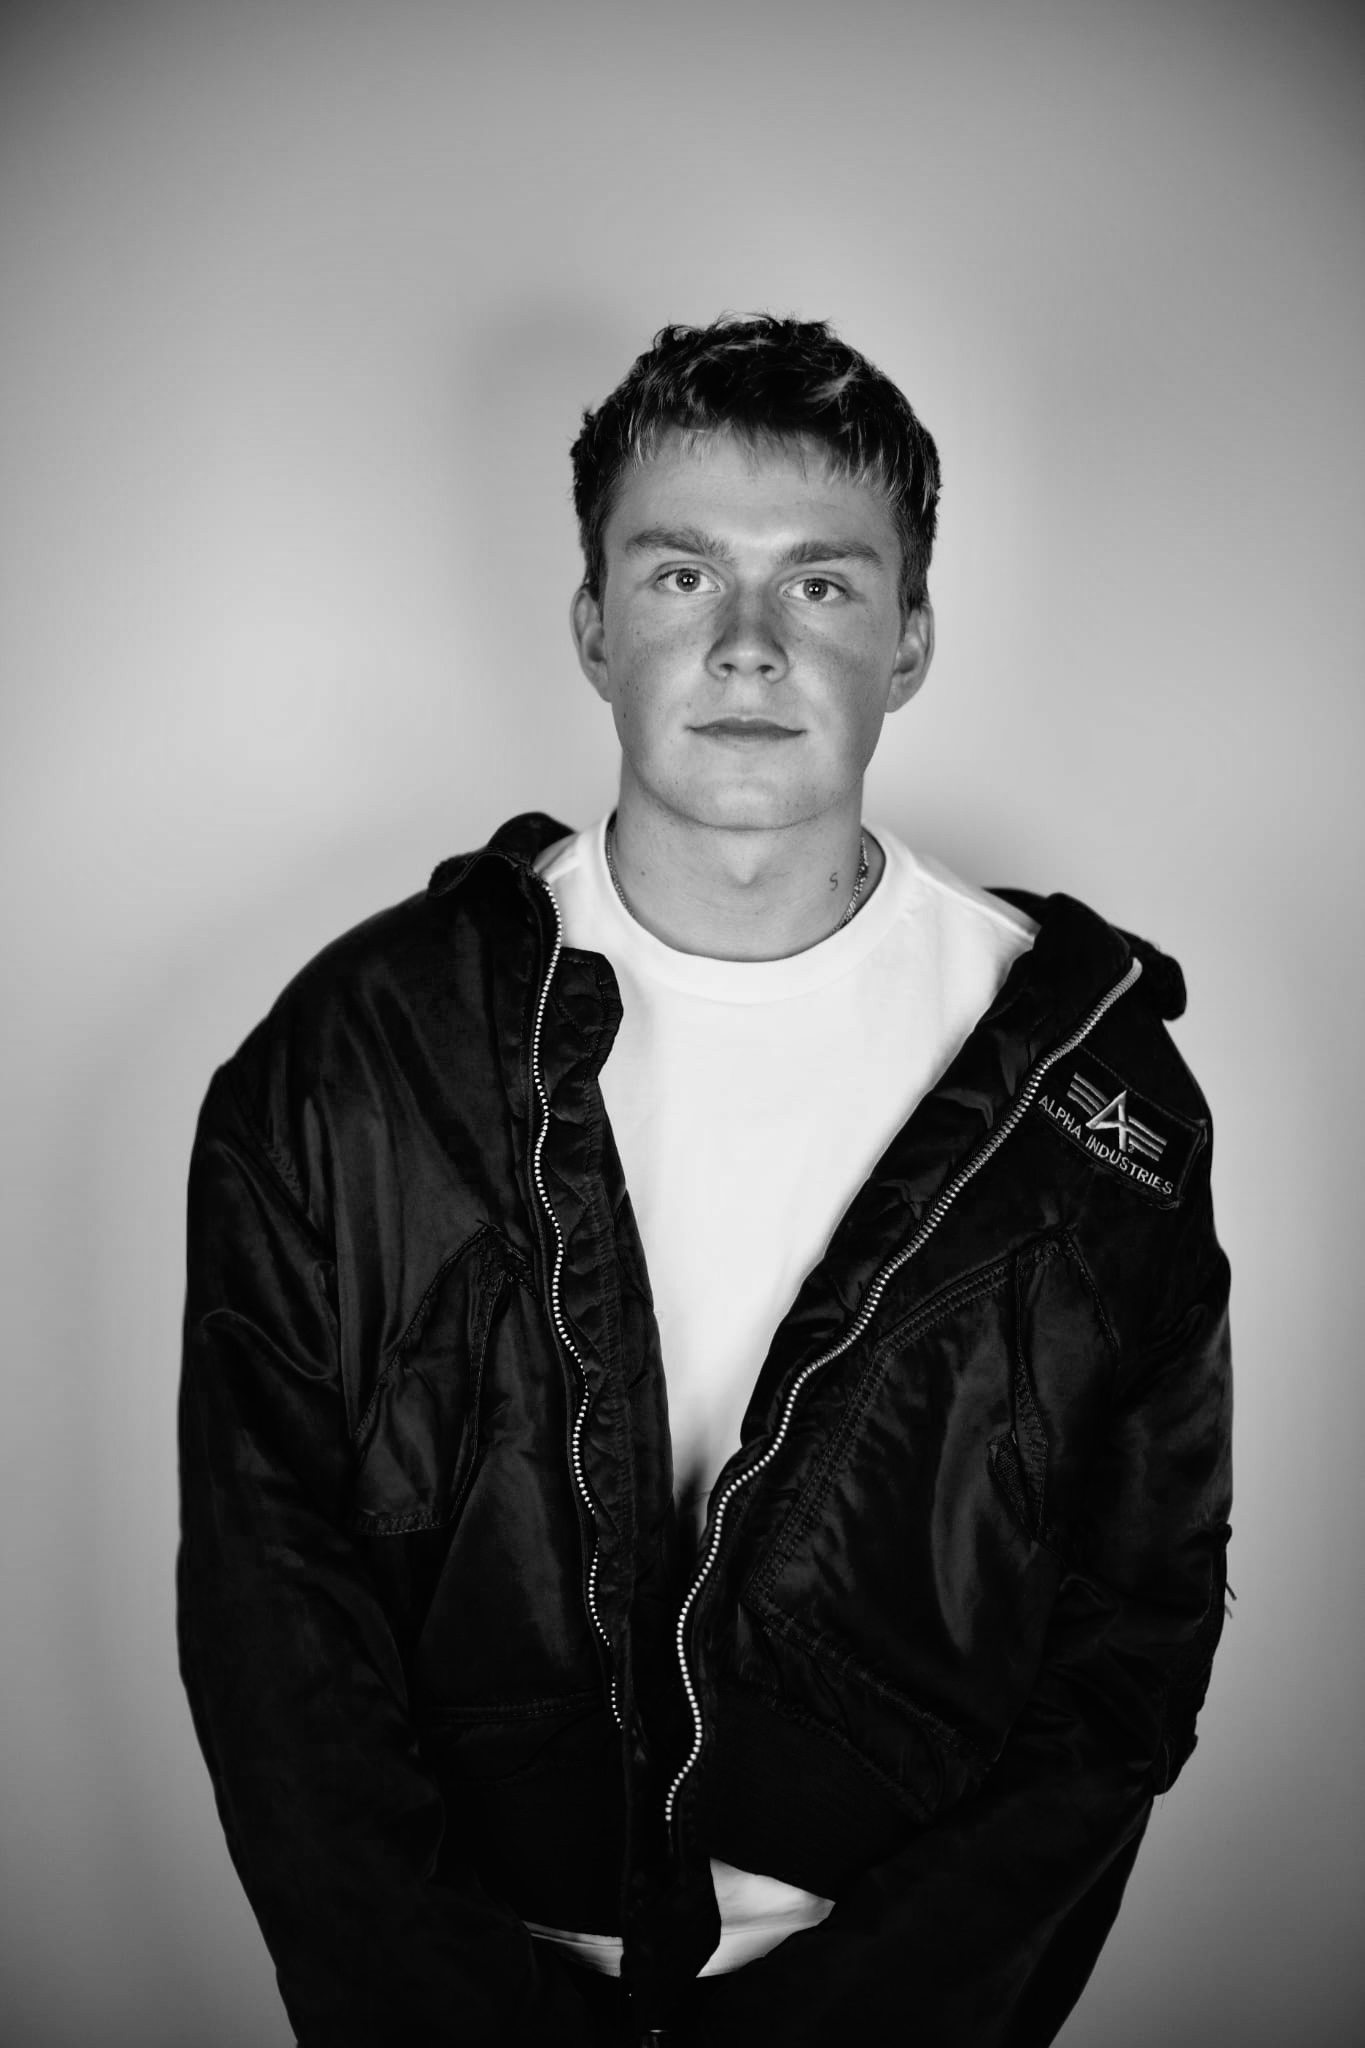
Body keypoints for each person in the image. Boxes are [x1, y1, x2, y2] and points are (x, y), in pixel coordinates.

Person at [177, 315, 1233, 2048]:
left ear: (908, 640)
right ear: (595, 626)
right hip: (464, 1983)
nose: (747, 644)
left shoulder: (1089, 1095)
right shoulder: (359, 1051)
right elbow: (267, 1607)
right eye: (680, 575)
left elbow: (1131, 1634)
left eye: (819, 583)